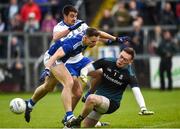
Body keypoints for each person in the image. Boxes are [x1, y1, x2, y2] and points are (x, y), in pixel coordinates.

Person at [67, 47, 154, 128]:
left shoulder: (129, 74)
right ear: (119, 54)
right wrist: (84, 74)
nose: (121, 60)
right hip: (98, 101)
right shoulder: (107, 61)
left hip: (111, 103)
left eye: (125, 59)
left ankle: (77, 121)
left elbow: (136, 91)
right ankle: (99, 124)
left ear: (130, 62)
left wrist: (143, 108)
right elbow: (86, 68)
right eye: (121, 57)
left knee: (91, 98)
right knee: (87, 125)